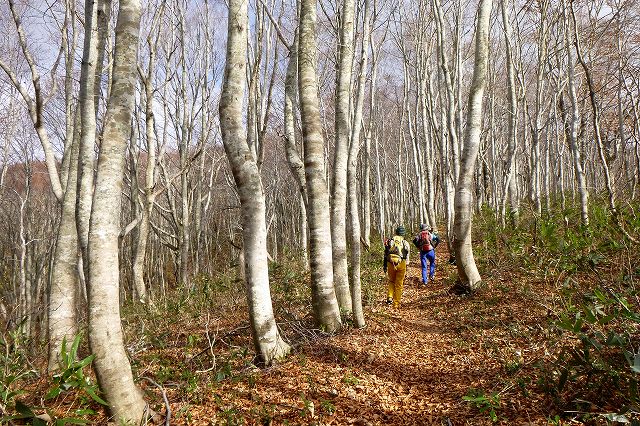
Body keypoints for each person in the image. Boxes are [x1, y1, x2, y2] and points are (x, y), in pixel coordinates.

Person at [383, 226, 410, 308]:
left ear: (396, 232)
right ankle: (396, 303)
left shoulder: (390, 241)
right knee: (399, 284)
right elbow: (407, 258)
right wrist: (406, 267)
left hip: (390, 263)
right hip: (401, 263)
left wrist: (384, 266)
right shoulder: (405, 243)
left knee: (391, 281)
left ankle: (390, 297)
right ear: (403, 234)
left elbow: (385, 254)